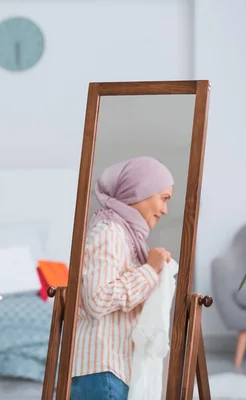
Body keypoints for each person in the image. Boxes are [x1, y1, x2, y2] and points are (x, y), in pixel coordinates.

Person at [70, 156, 174, 400]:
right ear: (141, 191)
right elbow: (97, 299)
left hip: (113, 369)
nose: (165, 210)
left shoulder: (125, 236)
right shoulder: (108, 232)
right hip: (102, 369)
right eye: (164, 198)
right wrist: (149, 270)